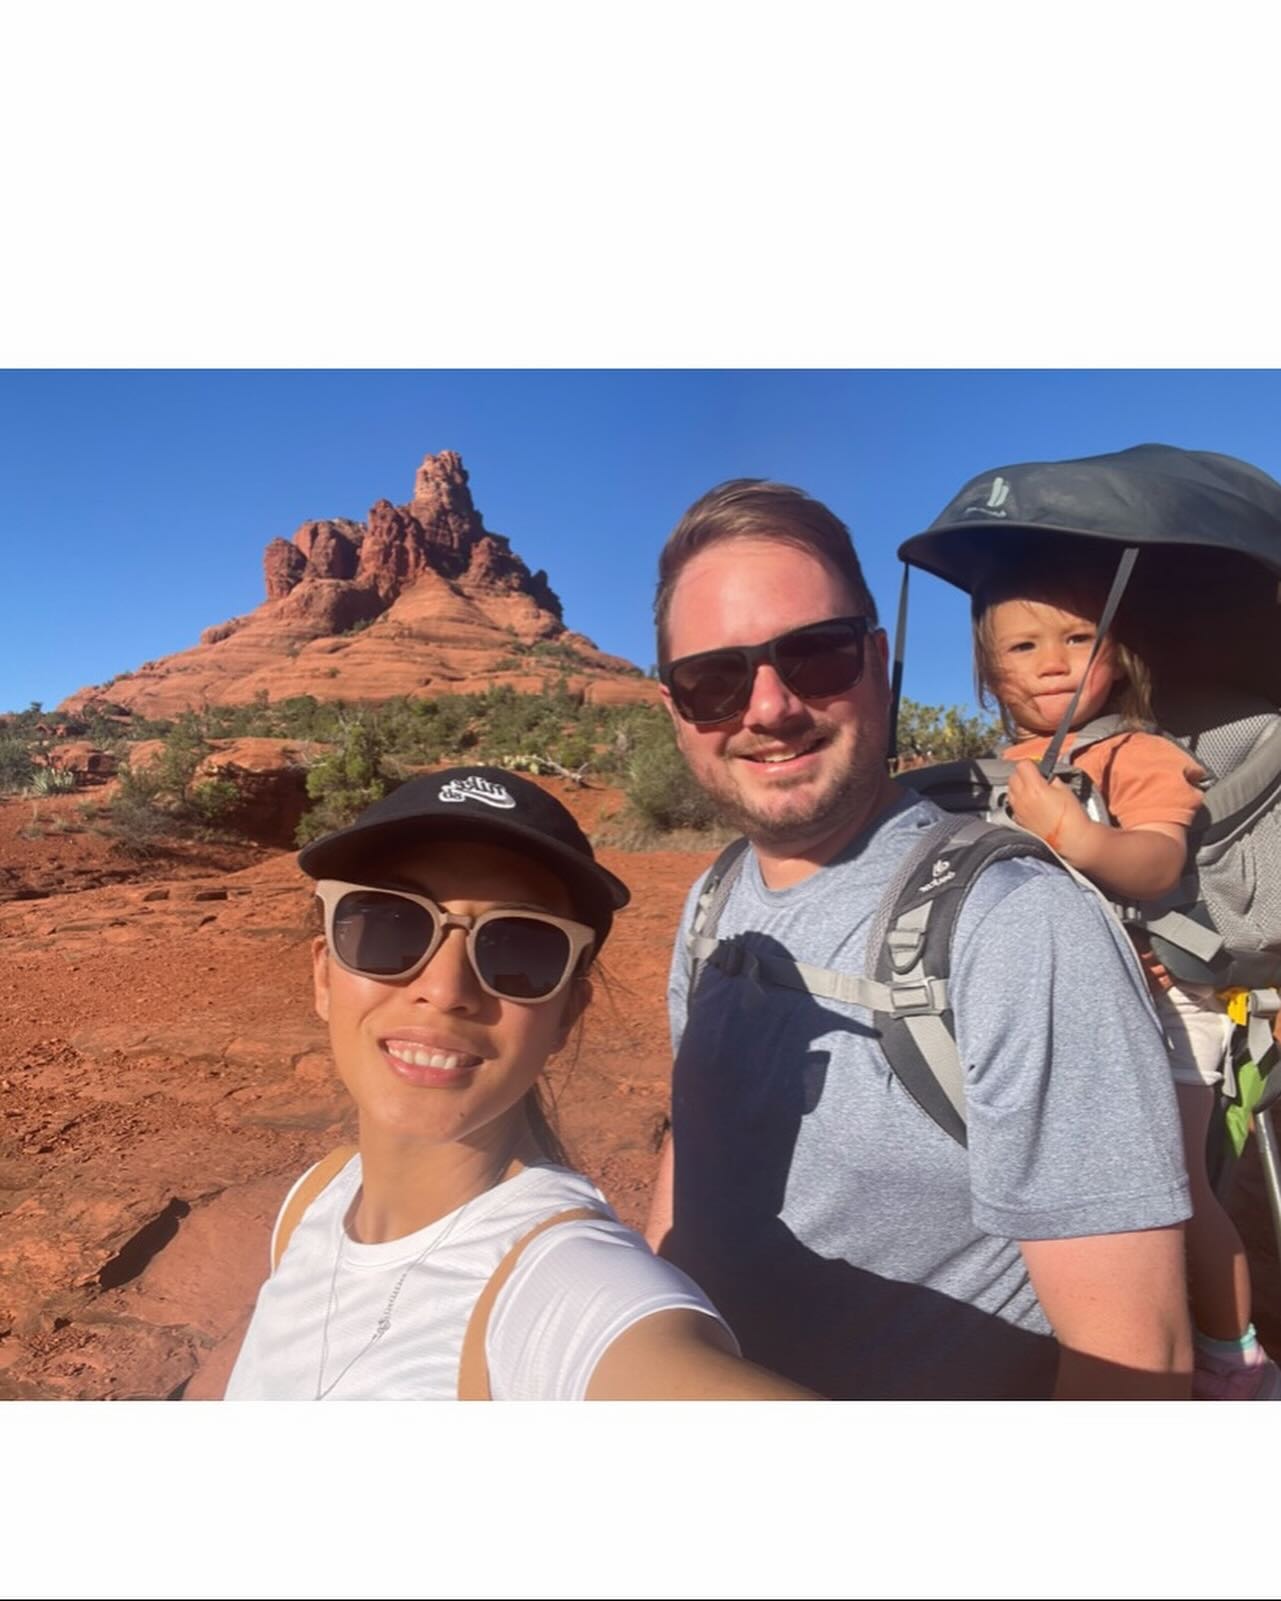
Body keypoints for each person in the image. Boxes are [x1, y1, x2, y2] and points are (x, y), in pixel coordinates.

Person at [644, 478, 1194, 1400]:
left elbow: (1137, 1360)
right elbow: (689, 1150)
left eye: (814, 655)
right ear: (674, 708)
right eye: (714, 680)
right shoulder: (714, 898)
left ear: (877, 659)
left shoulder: (1015, 925)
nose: (768, 708)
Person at [224, 765, 810, 1401]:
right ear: (323, 976)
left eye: (521, 948)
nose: (445, 990)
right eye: (392, 924)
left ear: (566, 1016)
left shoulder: (568, 1288)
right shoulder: (315, 1201)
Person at [973, 554, 1281, 1401]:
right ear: (987, 668)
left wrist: (1073, 834)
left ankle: (1232, 1358)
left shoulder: (1138, 752)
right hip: (1067, 999)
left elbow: (1154, 862)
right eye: (1023, 645)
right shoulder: (1001, 765)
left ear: (1118, 652)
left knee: (1170, 1185)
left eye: (1078, 637)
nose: (1052, 661)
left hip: (1165, 999)